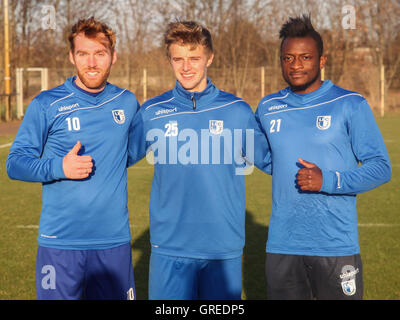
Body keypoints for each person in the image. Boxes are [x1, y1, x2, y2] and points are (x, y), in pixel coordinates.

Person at [129, 20, 271, 300]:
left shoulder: (237, 111)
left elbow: (272, 160)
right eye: (178, 59)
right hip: (169, 249)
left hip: (222, 249)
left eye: (194, 58)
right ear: (169, 60)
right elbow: (116, 158)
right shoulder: (153, 112)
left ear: (210, 58)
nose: (186, 67)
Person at [255, 15, 392, 300]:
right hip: (283, 246)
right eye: (288, 58)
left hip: (335, 246)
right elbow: (270, 159)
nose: (296, 65)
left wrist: (327, 179)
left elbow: (381, 167)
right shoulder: (268, 107)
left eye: (305, 57)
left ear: (321, 60)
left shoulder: (350, 104)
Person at [6, 17, 139, 300]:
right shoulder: (46, 104)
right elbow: (15, 162)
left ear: (113, 56)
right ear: (71, 56)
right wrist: (59, 167)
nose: (91, 63)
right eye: (83, 54)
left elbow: (131, 151)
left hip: (113, 242)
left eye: (99, 53)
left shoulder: (127, 102)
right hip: (60, 243)